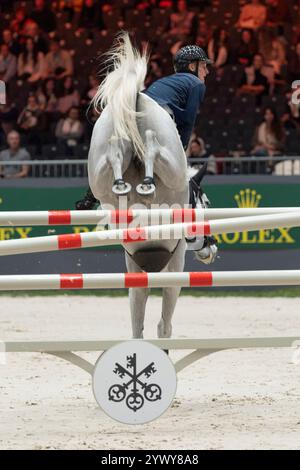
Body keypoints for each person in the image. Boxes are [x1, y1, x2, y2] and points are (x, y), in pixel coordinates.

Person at [142, 44, 211, 150]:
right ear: (192, 67)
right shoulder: (197, 83)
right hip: (160, 111)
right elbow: (189, 120)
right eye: (203, 66)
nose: (207, 72)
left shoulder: (166, 80)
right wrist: (183, 147)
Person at [251, 106, 285, 173]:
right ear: (264, 116)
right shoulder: (259, 128)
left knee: (262, 152)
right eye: (267, 114)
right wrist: (258, 146)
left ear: (273, 115)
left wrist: (270, 147)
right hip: (260, 150)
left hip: (274, 151)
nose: (268, 116)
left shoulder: (279, 127)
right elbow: (254, 142)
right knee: (260, 152)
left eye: (270, 114)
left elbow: (282, 144)